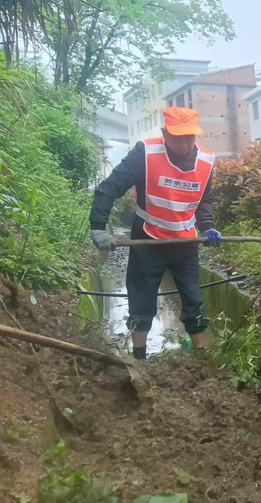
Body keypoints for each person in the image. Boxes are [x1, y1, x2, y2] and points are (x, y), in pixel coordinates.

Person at [89, 107, 222, 360]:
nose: (184, 144)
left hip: (185, 242)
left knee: (193, 300)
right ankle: (139, 359)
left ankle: (201, 360)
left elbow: (204, 199)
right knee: (141, 301)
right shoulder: (145, 153)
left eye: (189, 137)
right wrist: (98, 228)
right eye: (177, 137)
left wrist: (208, 227)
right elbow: (109, 188)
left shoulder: (206, 160)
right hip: (147, 240)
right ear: (164, 133)